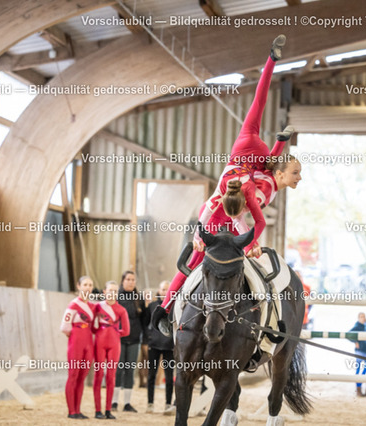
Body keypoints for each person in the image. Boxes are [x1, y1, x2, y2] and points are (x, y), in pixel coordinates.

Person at [152, 35, 302, 332]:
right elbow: (250, 208)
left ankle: (166, 309)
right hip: (225, 207)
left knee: (193, 262)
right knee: (210, 261)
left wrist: (280, 144)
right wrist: (244, 242)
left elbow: (266, 166)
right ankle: (167, 309)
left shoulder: (248, 179)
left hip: (238, 169)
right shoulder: (252, 190)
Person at [112, 271, 149, 412]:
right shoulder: (116, 296)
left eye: (133, 280)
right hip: (118, 339)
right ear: (123, 281)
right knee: (118, 370)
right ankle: (114, 401)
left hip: (134, 339)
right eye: (128, 279)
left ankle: (127, 403)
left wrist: (145, 339)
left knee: (130, 370)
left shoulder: (138, 298)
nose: (131, 282)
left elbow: (144, 321)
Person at [60, 276, 96, 419]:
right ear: (78, 286)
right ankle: (71, 411)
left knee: (82, 376)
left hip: (88, 340)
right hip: (76, 340)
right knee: (73, 374)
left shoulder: (92, 306)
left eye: (90, 285)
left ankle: (78, 409)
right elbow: (64, 327)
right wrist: (75, 336)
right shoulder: (73, 305)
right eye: (85, 284)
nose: (88, 287)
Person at [93, 281, 130, 419]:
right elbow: (92, 326)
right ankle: (98, 410)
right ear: (104, 292)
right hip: (99, 344)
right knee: (98, 375)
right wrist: (104, 331)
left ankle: (108, 410)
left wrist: (113, 332)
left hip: (114, 345)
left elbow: (126, 331)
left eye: (115, 291)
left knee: (111, 376)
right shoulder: (97, 307)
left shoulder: (121, 310)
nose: (112, 293)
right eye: (110, 290)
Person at [146, 281, 175, 415]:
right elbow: (145, 323)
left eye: (167, 289)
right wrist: (148, 338)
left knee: (169, 377)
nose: (164, 292)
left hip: (169, 347)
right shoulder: (152, 306)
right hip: (154, 346)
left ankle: (168, 404)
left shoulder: (174, 306)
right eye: (163, 289)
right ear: (159, 290)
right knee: (151, 375)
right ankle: (150, 404)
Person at [348, 312, 366, 397]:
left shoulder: (365, 326)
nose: (363, 318)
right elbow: (348, 335)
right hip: (359, 351)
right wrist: (355, 342)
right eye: (361, 317)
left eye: (364, 317)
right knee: (359, 369)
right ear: (358, 318)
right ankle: (358, 389)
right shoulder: (357, 326)